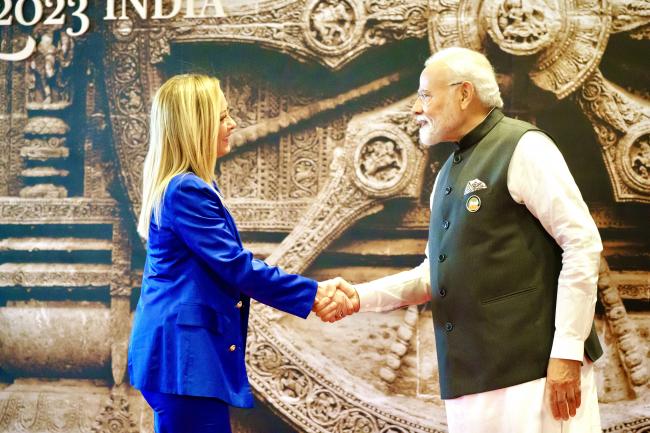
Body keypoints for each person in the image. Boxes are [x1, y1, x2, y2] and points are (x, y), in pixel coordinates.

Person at [317, 47, 604, 433]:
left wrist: (567, 351)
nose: (416, 109)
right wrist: (359, 296)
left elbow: (582, 244)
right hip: (472, 380)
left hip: (534, 373)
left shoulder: (524, 147)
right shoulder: (447, 174)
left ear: (464, 94)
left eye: (425, 95)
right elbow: (434, 274)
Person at [127, 74, 359, 433]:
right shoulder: (186, 190)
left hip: (184, 361)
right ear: (195, 125)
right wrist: (314, 294)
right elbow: (237, 267)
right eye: (222, 117)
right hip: (183, 360)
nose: (232, 124)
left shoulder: (189, 186)